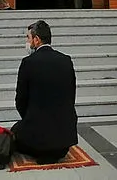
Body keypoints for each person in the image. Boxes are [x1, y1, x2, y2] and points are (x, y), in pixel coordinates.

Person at [12, 20, 78, 164]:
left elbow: (20, 101)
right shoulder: (66, 60)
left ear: (36, 40)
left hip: (38, 143)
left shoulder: (28, 63)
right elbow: (71, 96)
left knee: (15, 131)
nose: (27, 42)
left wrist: (30, 119)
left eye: (28, 38)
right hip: (64, 142)